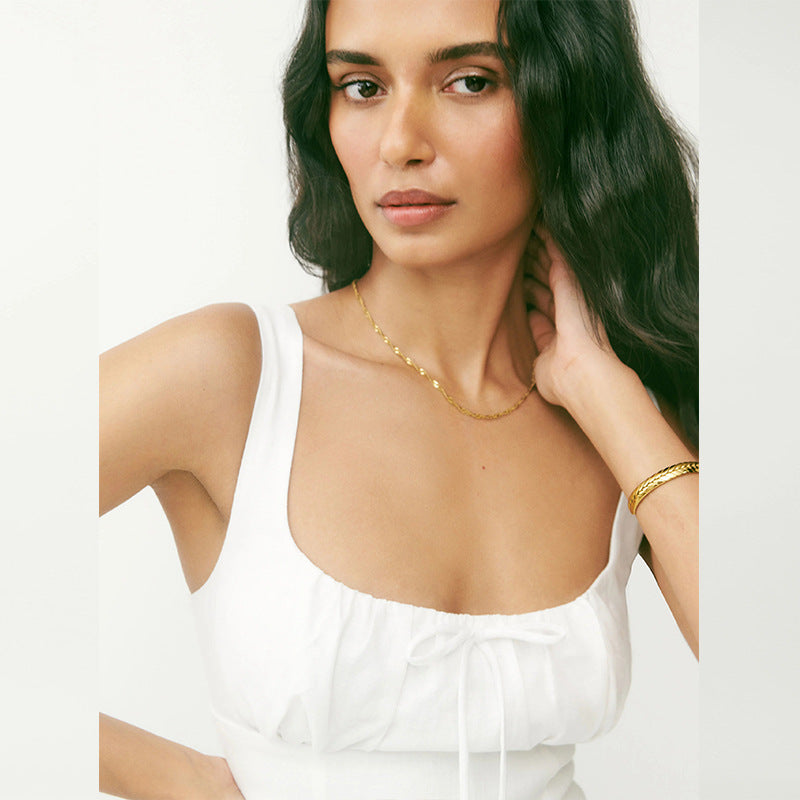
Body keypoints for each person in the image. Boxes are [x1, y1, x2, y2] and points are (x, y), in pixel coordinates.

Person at [99, 0, 698, 798]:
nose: (400, 143)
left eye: (470, 81)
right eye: (363, 87)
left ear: (570, 98)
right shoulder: (229, 375)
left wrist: (608, 401)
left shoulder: (626, 410)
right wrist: (184, 781)